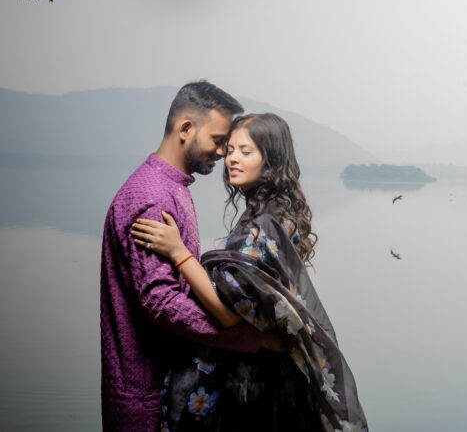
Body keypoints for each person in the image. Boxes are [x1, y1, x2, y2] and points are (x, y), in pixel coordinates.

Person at [130, 112, 368, 431]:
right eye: (230, 150)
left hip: (248, 379)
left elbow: (229, 315)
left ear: (270, 160)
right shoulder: (276, 213)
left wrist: (178, 253)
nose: (232, 159)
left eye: (246, 151)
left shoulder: (262, 228)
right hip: (267, 374)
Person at [100, 81, 268, 432]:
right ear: (186, 129)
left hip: (161, 389)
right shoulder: (154, 197)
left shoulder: (171, 185)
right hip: (145, 400)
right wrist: (246, 337)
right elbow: (160, 301)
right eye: (218, 140)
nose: (223, 153)